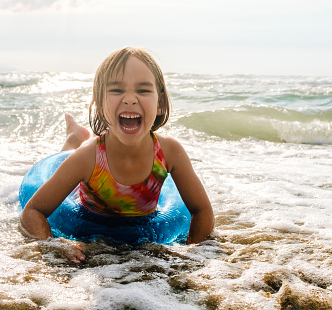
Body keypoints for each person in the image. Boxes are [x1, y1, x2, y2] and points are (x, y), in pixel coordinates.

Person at [20, 47, 214, 263]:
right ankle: (75, 136)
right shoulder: (87, 157)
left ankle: (78, 135)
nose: (130, 99)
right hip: (85, 208)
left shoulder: (169, 152)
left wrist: (194, 258)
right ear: (100, 105)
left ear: (159, 104)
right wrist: (52, 244)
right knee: (68, 153)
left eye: (142, 90)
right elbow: (33, 211)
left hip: (142, 220)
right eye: (116, 90)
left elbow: (202, 210)